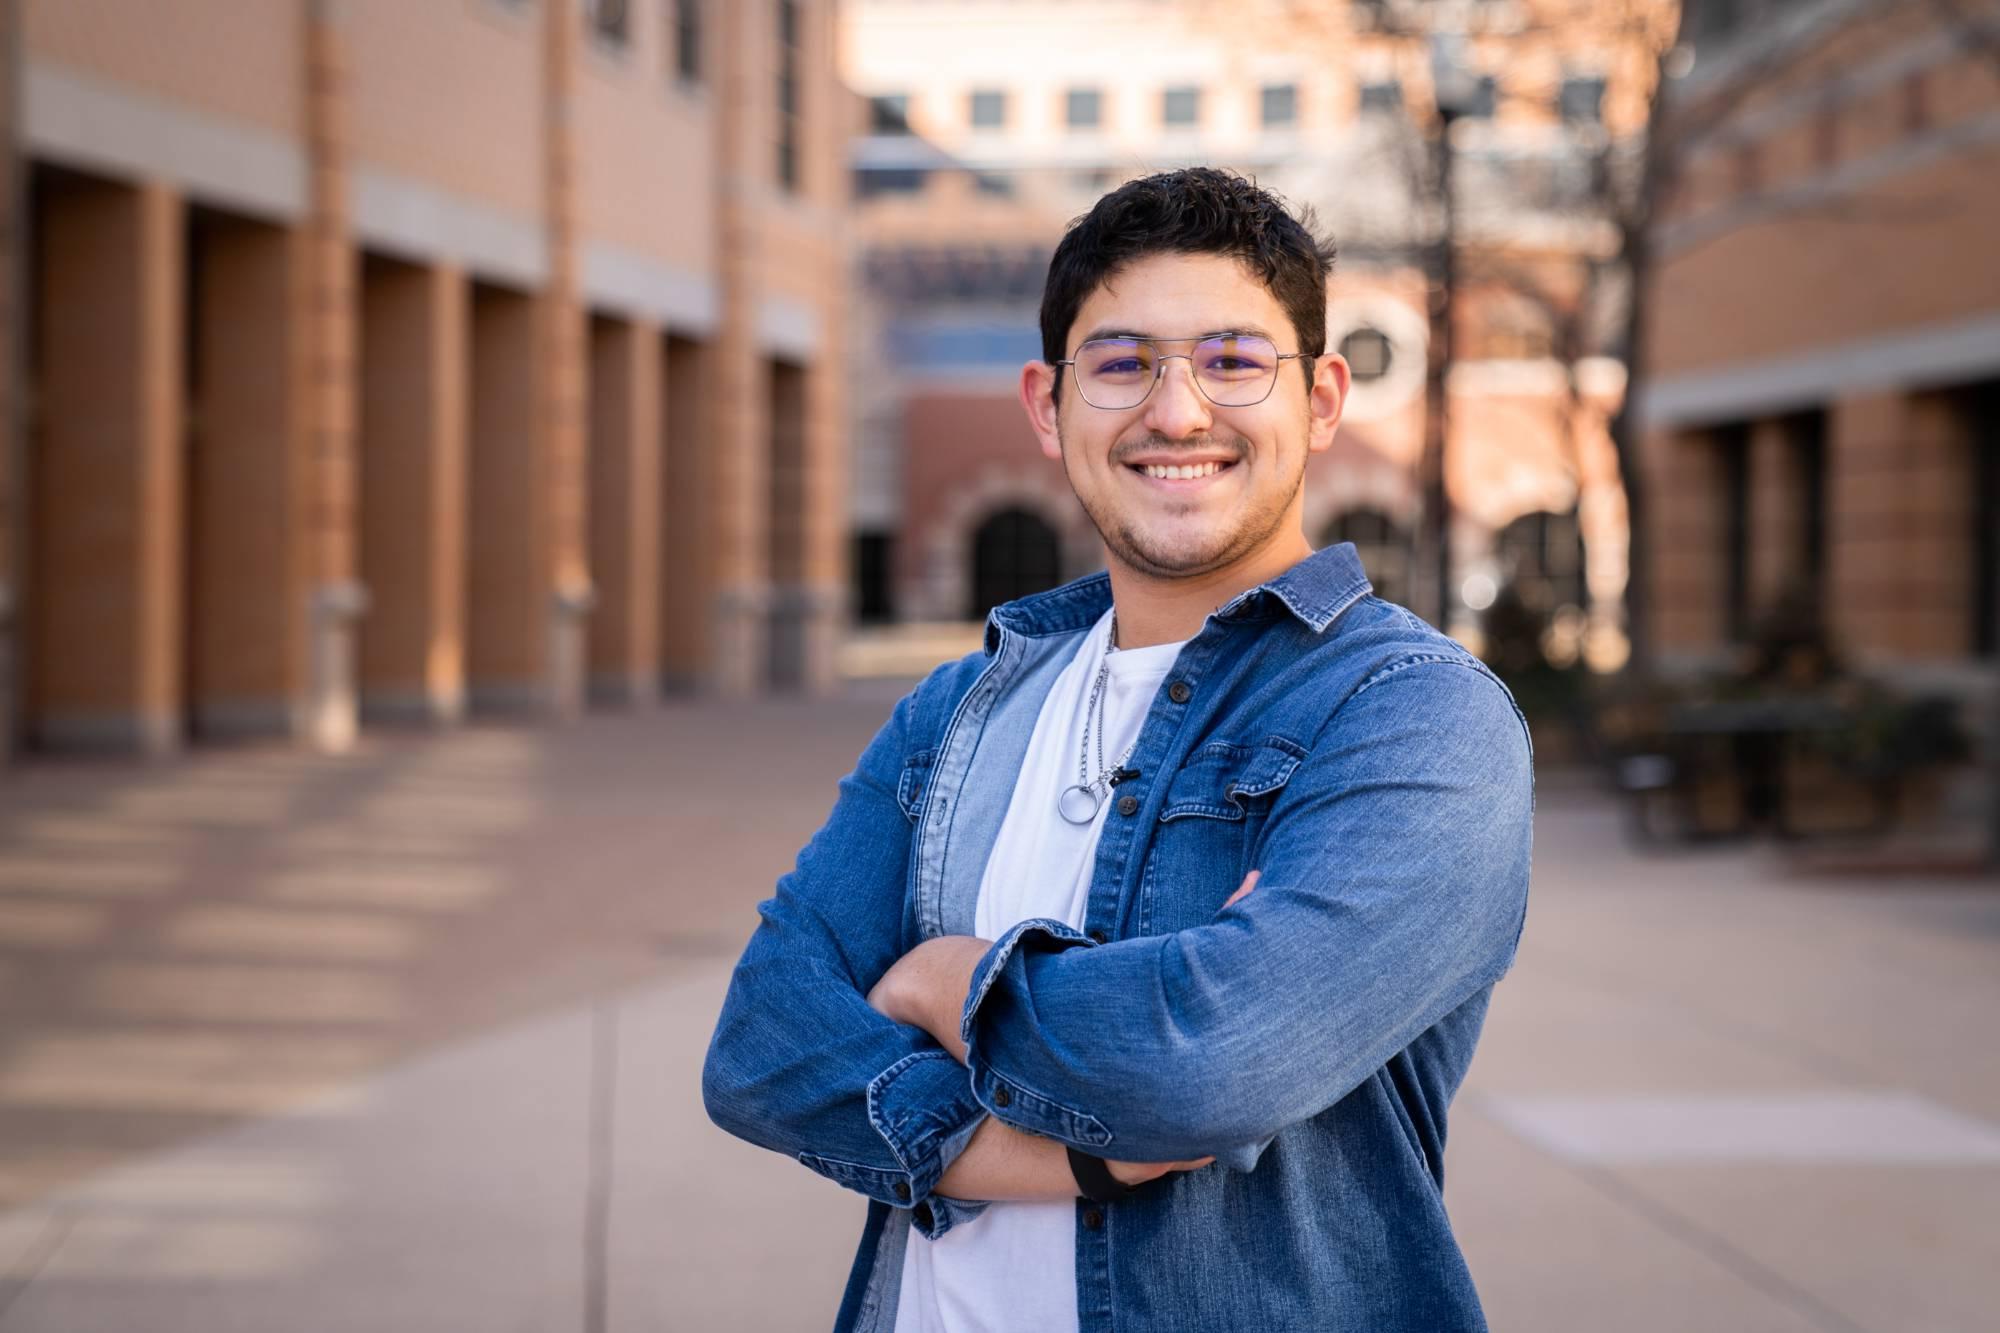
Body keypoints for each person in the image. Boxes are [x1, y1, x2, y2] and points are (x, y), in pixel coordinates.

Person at [703, 167, 1533, 1332]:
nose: (1177, 410)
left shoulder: (1412, 715)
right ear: (1048, 405)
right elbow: (760, 1040)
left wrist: (948, 983)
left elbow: (1208, 1063)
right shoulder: (956, 711)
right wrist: (1073, 1155)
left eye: (1233, 360)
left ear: (1324, 399)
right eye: (1122, 362)